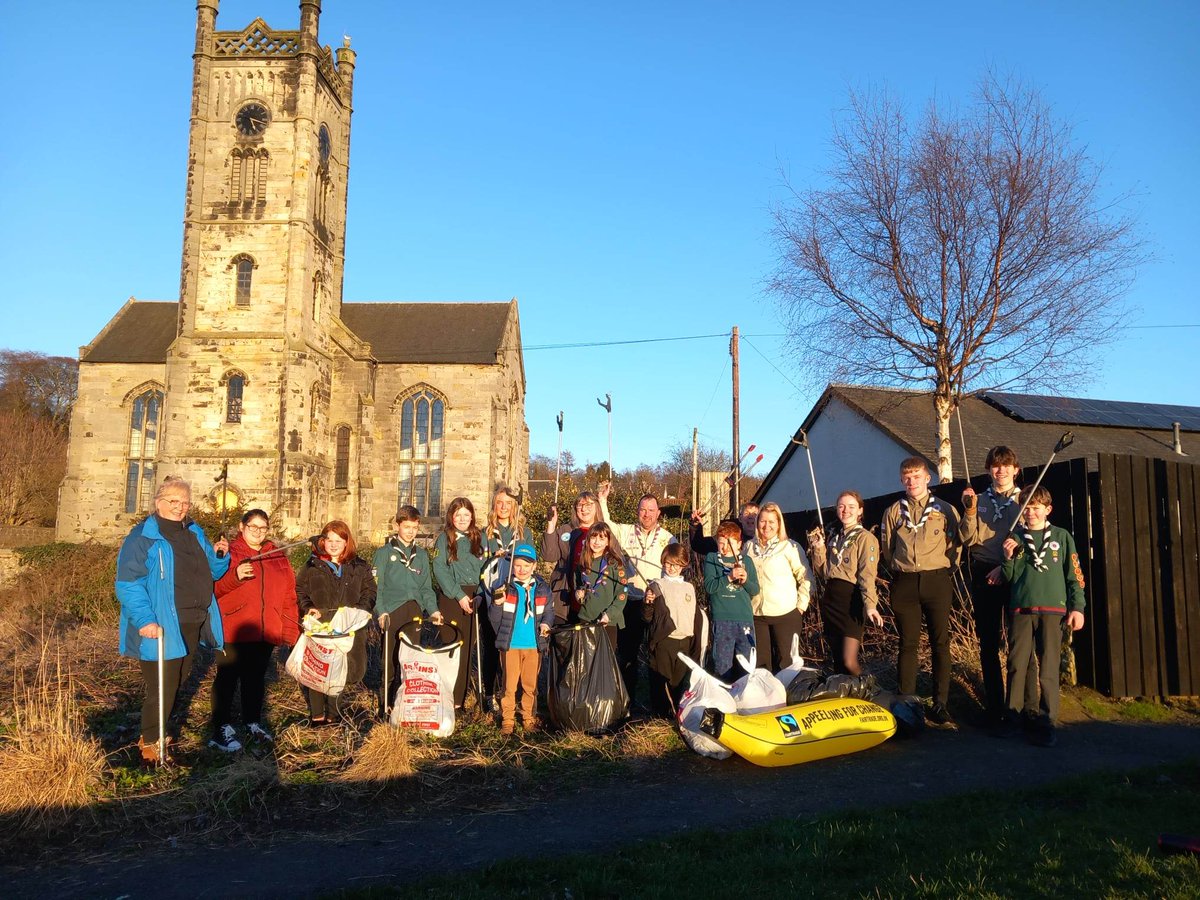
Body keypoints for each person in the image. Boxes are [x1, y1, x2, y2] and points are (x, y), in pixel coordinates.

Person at [116, 476, 229, 765]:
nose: (180, 508)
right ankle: (151, 742)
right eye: (173, 502)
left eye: (185, 503)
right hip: (162, 625)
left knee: (178, 680)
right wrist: (145, 620)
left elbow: (212, 573)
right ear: (158, 502)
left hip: (193, 620)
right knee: (161, 684)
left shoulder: (193, 531)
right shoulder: (143, 537)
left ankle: (160, 732)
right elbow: (128, 583)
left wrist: (219, 557)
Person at [997, 486, 1086, 747]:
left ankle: (1047, 722)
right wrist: (1007, 557)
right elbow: (1011, 577)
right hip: (1022, 608)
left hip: (1053, 609)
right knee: (1017, 665)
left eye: (1036, 508)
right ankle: (1014, 716)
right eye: (1026, 508)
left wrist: (1077, 607)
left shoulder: (1062, 536)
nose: (1031, 513)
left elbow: (1075, 575)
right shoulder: (1016, 536)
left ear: (1048, 510)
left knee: (1048, 668)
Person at [880, 457, 961, 724]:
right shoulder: (893, 511)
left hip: (936, 579)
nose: (911, 482)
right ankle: (907, 703)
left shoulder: (945, 509)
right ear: (902, 480)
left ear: (928, 478)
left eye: (916, 476)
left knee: (940, 643)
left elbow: (957, 544)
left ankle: (940, 704)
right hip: (905, 581)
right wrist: (898, 568)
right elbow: (887, 548)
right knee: (908, 644)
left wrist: (945, 568)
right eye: (906, 477)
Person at [960, 445, 1037, 725]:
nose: (1000, 470)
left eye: (1006, 465)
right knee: (989, 644)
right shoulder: (977, 499)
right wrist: (968, 513)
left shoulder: (1026, 500)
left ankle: (1028, 708)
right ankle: (995, 708)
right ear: (988, 469)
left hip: (1015, 574)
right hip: (983, 573)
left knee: (1021, 644)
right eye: (995, 465)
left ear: (1016, 469)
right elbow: (968, 540)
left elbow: (1030, 538)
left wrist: (1005, 568)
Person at [211, 508, 299, 750]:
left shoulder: (277, 556)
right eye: (253, 527)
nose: (258, 532)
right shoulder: (228, 553)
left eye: (263, 528)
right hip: (234, 628)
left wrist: (289, 628)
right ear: (242, 527)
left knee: (255, 679)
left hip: (265, 629)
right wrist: (235, 576)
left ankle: (252, 722)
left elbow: (289, 595)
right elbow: (214, 589)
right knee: (227, 678)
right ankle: (221, 727)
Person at [597, 482, 677, 701]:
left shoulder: (668, 538)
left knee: (656, 654)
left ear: (659, 513)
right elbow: (607, 525)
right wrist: (603, 500)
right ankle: (627, 702)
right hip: (631, 601)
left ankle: (659, 705)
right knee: (628, 654)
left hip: (656, 602)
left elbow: (676, 567)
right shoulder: (626, 531)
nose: (647, 514)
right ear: (637, 511)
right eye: (643, 510)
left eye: (651, 510)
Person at [296, 521, 377, 725]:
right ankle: (317, 714)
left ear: (346, 542)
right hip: (320, 623)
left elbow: (370, 591)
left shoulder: (359, 566)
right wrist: (308, 608)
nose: (333, 544)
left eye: (338, 540)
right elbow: (300, 590)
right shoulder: (312, 564)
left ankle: (333, 713)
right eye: (329, 540)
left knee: (340, 669)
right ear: (323, 541)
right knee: (318, 668)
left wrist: (358, 611)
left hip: (347, 626)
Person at [808, 491, 884, 675]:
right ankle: (845, 697)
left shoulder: (865, 538)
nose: (845, 510)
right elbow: (824, 572)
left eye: (851, 507)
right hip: (831, 601)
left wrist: (871, 605)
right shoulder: (835, 539)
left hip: (851, 602)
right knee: (838, 663)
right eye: (841, 506)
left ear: (860, 511)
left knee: (849, 661)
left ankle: (867, 693)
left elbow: (867, 575)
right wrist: (819, 549)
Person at [373, 506, 438, 716]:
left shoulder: (420, 555)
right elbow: (377, 586)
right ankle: (386, 705)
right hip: (392, 611)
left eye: (414, 527)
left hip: (414, 611)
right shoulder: (384, 553)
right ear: (397, 526)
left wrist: (434, 610)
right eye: (406, 527)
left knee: (409, 659)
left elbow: (426, 587)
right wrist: (381, 612)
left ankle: (404, 703)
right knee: (390, 659)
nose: (410, 531)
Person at [477, 485, 535, 712]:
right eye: (499, 502)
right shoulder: (485, 533)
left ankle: (512, 696)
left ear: (514, 507)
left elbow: (529, 559)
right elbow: (479, 563)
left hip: (516, 596)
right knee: (492, 646)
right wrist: (495, 555)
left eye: (508, 503)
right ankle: (489, 694)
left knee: (512, 647)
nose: (503, 507)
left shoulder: (523, 532)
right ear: (494, 505)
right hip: (492, 595)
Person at [487, 542, 554, 735]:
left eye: (526, 565)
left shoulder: (542, 588)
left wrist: (546, 624)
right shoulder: (504, 588)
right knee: (509, 685)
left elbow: (549, 612)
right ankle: (507, 719)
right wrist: (497, 604)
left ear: (534, 566)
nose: (521, 569)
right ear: (512, 566)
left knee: (530, 685)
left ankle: (528, 717)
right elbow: (494, 619)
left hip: (534, 645)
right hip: (511, 645)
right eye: (517, 565)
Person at [746, 502, 813, 672]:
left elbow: (805, 576)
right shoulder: (748, 548)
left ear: (779, 524)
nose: (766, 526)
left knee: (787, 665)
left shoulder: (789, 547)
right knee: (761, 667)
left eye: (771, 522)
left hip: (785, 614)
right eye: (762, 521)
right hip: (756, 615)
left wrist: (801, 605)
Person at [433, 497, 486, 710]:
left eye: (466, 514)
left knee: (467, 649)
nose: (463, 519)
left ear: (472, 516)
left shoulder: (480, 538)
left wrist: (480, 595)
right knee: (453, 647)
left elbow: (487, 569)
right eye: (458, 515)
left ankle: (459, 700)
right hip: (452, 596)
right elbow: (440, 569)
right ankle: (447, 697)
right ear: (451, 517)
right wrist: (459, 595)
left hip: (476, 595)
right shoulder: (444, 539)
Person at [643, 543, 705, 716]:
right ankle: (661, 715)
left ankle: (677, 713)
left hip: (685, 640)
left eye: (676, 564)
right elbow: (648, 617)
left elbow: (693, 616)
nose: (672, 568)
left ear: (683, 565)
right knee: (662, 678)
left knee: (679, 680)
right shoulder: (657, 586)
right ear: (663, 563)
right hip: (665, 640)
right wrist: (648, 602)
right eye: (668, 563)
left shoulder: (689, 588)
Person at [703, 519, 760, 681]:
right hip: (722, 620)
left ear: (739, 544)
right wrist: (728, 577)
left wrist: (746, 580)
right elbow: (710, 587)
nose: (726, 547)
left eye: (731, 543)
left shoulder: (746, 561)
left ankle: (746, 697)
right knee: (722, 664)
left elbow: (754, 590)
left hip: (744, 620)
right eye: (722, 543)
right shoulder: (712, 559)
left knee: (747, 663)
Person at [542, 490, 602, 623]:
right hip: (564, 597)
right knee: (562, 640)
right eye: (580, 505)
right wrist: (551, 525)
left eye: (588, 505)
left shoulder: (603, 532)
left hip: (593, 597)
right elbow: (549, 555)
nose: (584, 509)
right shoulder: (566, 530)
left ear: (597, 507)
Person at [572, 521, 629, 650]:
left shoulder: (615, 564)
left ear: (608, 541)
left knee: (605, 663)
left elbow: (622, 593)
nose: (597, 542)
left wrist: (609, 615)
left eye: (602, 538)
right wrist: (579, 593)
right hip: (586, 618)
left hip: (607, 621)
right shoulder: (583, 562)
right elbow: (580, 584)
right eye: (593, 537)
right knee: (586, 662)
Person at [689, 501, 759, 559]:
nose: (750, 516)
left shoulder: (765, 540)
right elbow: (699, 545)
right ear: (740, 518)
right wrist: (695, 526)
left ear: (759, 519)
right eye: (746, 513)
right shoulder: (728, 536)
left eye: (754, 514)